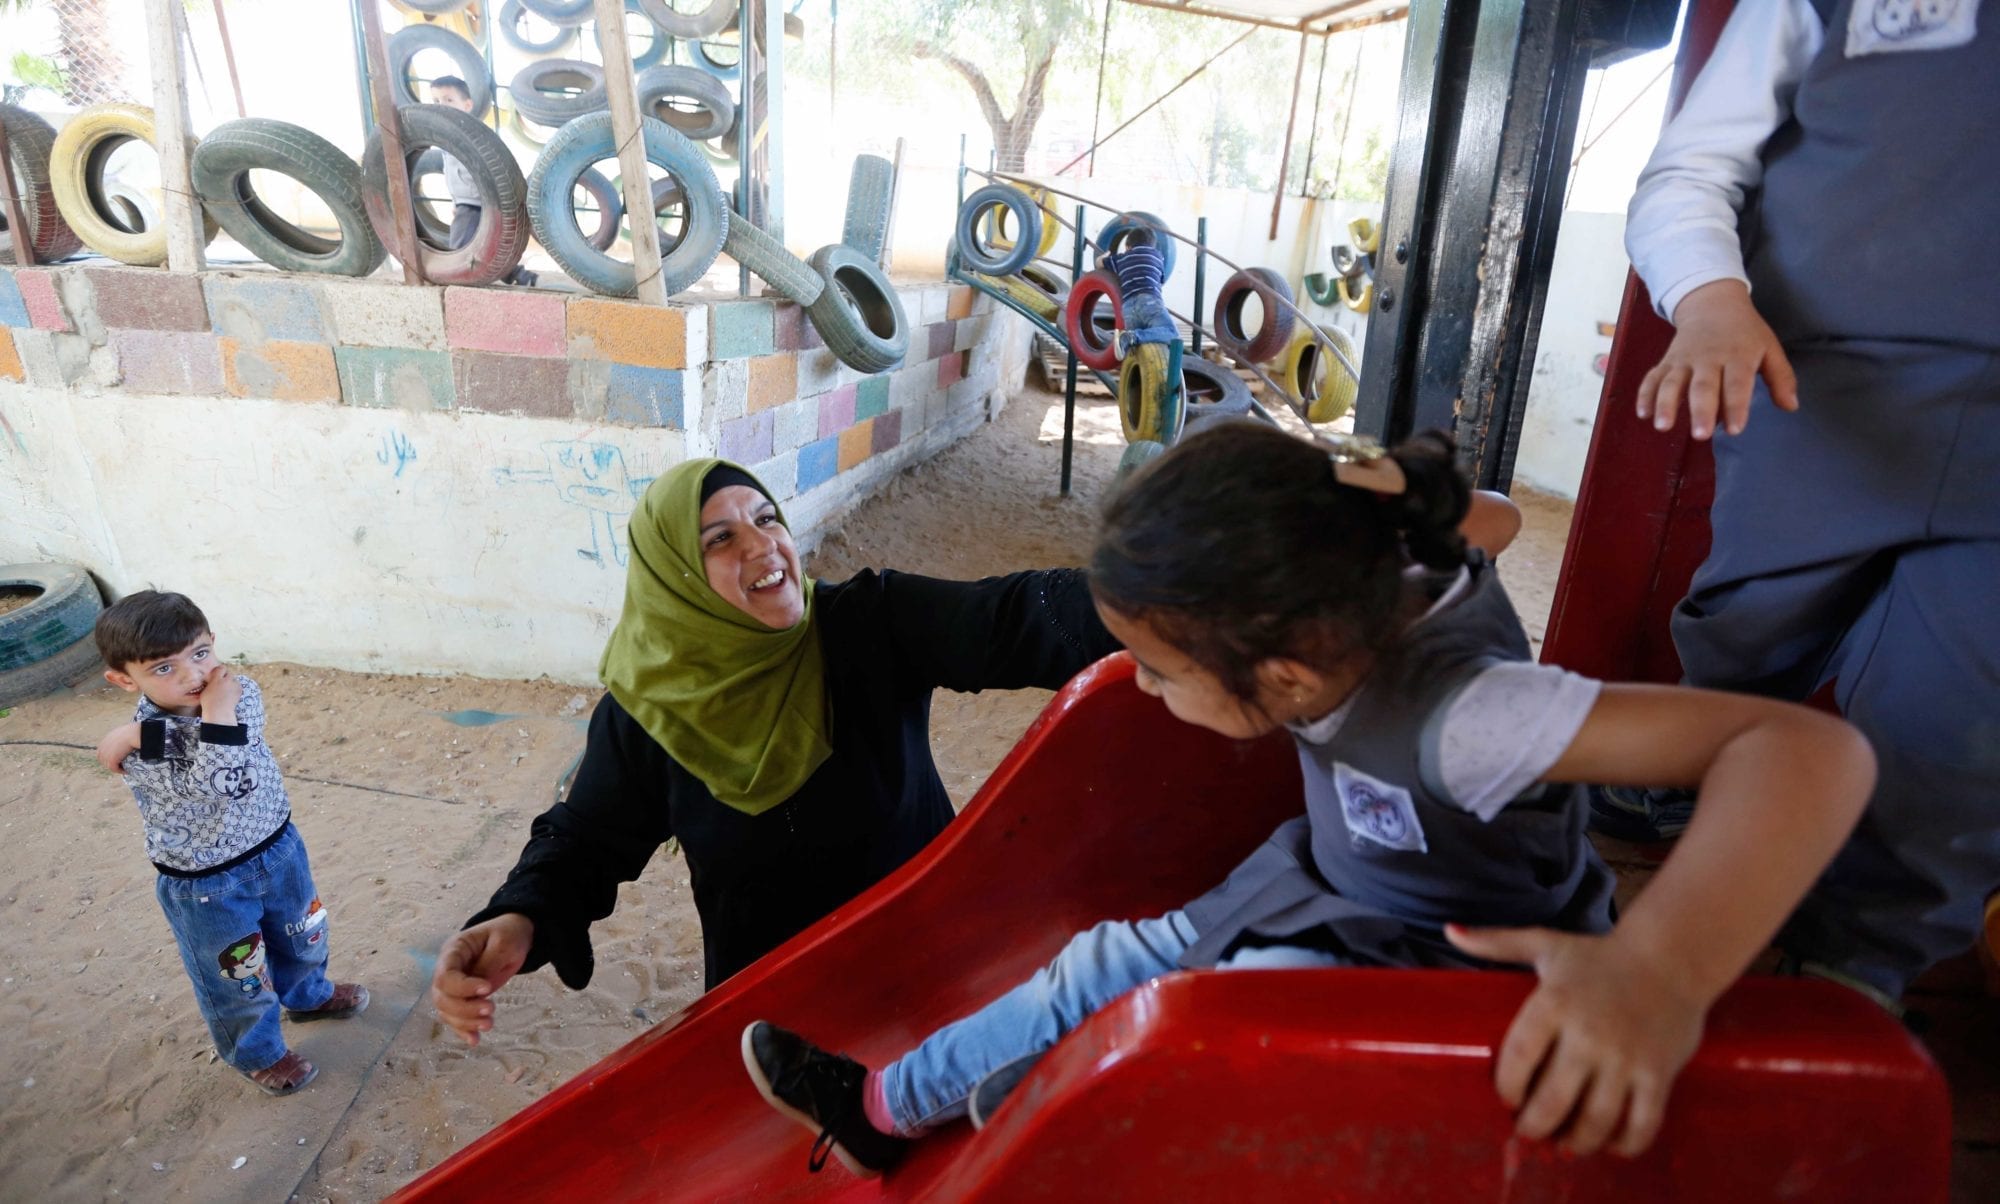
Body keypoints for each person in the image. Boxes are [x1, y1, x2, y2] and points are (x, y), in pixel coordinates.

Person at [739, 422, 1876, 1177]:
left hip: (1446, 961)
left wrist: (1656, 972)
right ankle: (887, 1108)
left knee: (1217, 1025)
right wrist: (1368, 495)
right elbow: (1492, 519)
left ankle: (1047, 1107)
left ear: (1279, 678)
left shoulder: (1470, 714)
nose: (1137, 686)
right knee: (1099, 961)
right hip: (1334, 883)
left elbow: (1799, 753)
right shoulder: (1380, 572)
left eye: (1162, 672)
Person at [429, 458, 1126, 1045]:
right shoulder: (652, 712)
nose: (762, 547)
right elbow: (584, 841)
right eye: (720, 539)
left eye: (767, 519)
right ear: (676, 577)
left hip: (938, 967)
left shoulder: (867, 625)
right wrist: (520, 916)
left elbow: (1018, 617)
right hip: (776, 1010)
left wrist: (1161, 598)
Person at [1600, 0, 1997, 1004]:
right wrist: (1707, 297)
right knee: (1750, 628)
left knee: (1956, 723)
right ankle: (1680, 789)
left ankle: (1850, 965)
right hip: (1811, 389)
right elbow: (1692, 168)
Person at [91, 591, 369, 1096]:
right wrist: (149, 734)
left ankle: (307, 996)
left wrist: (136, 732)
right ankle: (259, 1054)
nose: (193, 676)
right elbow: (223, 778)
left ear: (213, 642)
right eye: (164, 669)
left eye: (199, 654)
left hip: (279, 847)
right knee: (239, 977)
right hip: (207, 884)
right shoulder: (144, 750)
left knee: (302, 934)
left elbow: (220, 737)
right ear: (124, 679)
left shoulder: (239, 693)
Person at [427, 76, 537, 287]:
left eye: (449, 100)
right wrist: (456, 202)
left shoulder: (474, 135)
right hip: (467, 202)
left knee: (459, 247)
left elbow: (492, 170)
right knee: (490, 247)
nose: (441, 106)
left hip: (478, 202)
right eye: (436, 101)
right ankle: (520, 276)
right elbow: (454, 173)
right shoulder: (445, 138)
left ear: (467, 105)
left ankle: (456, 283)